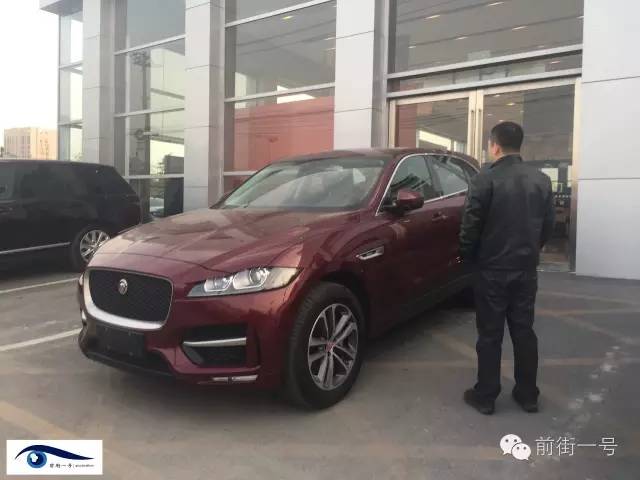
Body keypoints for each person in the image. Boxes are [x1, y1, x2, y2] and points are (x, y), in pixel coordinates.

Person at [459, 121, 555, 415]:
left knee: (490, 334)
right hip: (525, 269)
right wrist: (530, 251)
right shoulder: (541, 180)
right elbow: (548, 226)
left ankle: (486, 396)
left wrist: (467, 257)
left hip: (491, 269)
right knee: (524, 331)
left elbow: (470, 226)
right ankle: (528, 395)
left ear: (495, 146)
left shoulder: (484, 179)